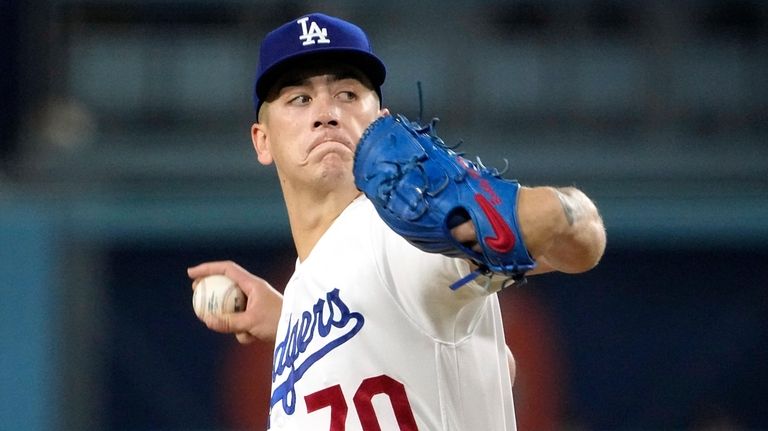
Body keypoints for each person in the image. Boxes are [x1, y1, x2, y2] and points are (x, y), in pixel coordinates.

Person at [188, 12, 605, 430]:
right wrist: (291, 318)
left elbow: (577, 233)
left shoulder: (400, 233)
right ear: (263, 140)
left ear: (380, 121)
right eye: (300, 98)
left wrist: (538, 214)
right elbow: (478, 362)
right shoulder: (305, 291)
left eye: (348, 94)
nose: (327, 113)